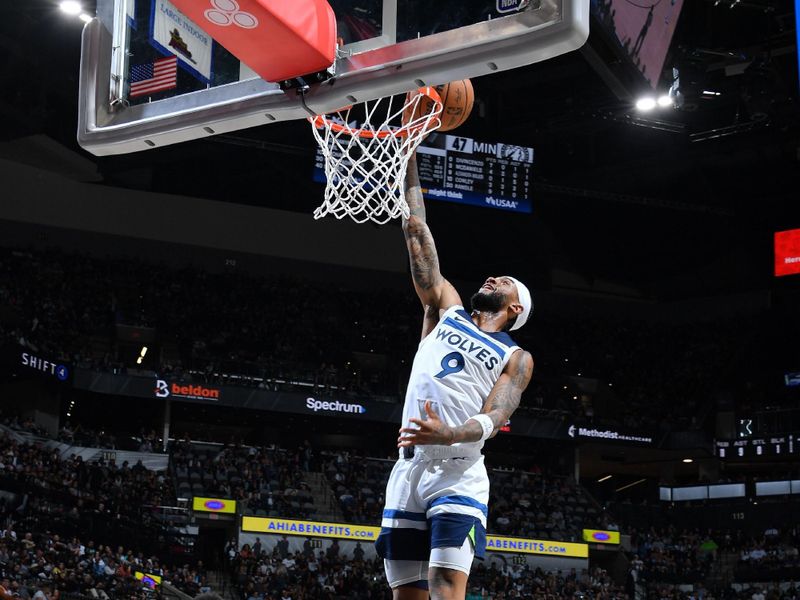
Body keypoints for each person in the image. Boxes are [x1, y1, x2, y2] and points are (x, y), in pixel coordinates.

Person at [375, 154, 534, 600]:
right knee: (407, 592)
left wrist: (449, 434)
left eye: (502, 281)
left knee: (446, 584)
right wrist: (405, 158)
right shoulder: (446, 309)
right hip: (408, 470)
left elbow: (498, 412)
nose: (491, 277)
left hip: (458, 470)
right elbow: (417, 233)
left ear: (514, 308)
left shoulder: (516, 354)